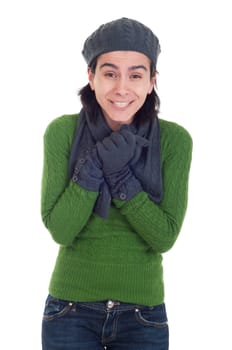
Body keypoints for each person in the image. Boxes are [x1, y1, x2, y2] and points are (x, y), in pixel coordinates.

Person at [41, 17, 192, 350]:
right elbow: (62, 230)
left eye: (135, 75)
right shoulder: (62, 133)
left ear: (152, 81)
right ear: (91, 77)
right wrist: (93, 165)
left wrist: (119, 175)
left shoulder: (174, 141)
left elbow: (164, 236)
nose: (122, 88)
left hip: (143, 316)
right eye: (110, 73)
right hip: (69, 311)